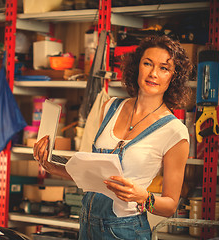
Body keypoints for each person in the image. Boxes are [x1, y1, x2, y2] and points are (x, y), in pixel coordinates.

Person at [33, 35, 193, 239]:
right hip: (86, 224)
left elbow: (170, 205)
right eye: (147, 63)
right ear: (137, 67)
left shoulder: (174, 131)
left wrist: (144, 197)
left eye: (164, 68)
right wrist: (51, 166)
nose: (153, 73)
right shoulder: (110, 108)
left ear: (173, 77)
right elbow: (94, 177)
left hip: (125, 230)